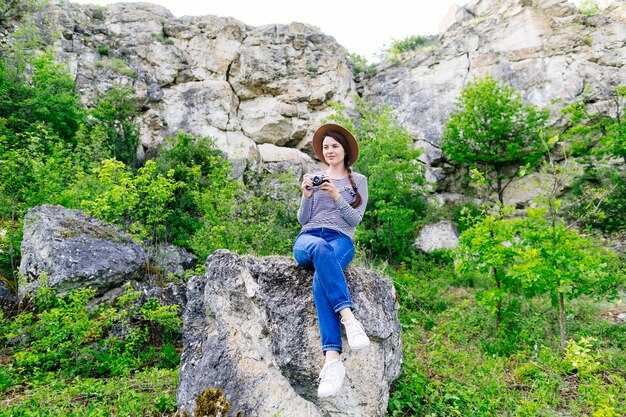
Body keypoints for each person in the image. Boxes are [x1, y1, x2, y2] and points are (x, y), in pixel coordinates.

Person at [292, 123, 370, 398]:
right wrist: (306, 196)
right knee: (319, 248)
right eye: (325, 147)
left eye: (334, 146)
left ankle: (332, 360)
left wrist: (336, 196)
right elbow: (303, 219)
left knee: (321, 272)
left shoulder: (357, 181)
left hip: (340, 239)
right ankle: (349, 318)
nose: (329, 151)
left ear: (345, 150)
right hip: (309, 239)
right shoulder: (314, 177)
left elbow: (355, 220)